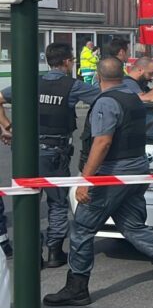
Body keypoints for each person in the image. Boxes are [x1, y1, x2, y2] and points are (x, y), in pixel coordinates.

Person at [44, 57, 153, 306]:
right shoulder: (132, 98)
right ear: (122, 73)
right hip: (137, 171)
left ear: (97, 76)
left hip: (112, 175)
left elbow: (102, 143)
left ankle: (77, 287)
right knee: (133, 227)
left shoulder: (106, 103)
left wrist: (86, 181)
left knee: (82, 229)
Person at [0, 43, 103, 264]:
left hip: (25, 153)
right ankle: (55, 251)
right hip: (54, 152)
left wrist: (8, 127)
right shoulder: (72, 86)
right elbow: (107, 95)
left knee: (27, 202)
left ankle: (32, 252)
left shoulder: (30, 83)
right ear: (67, 61)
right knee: (57, 203)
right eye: (72, 61)